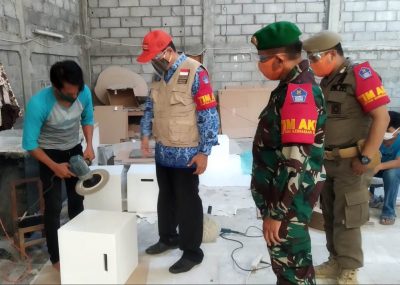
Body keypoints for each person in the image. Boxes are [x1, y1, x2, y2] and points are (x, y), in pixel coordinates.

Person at [303, 31, 390, 284]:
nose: (312, 63)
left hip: (353, 162)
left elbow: (381, 118)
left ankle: (349, 269)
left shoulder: (360, 74)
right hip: (328, 161)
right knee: (330, 213)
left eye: (315, 57)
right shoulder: (328, 80)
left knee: (348, 217)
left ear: (332, 54)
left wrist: (365, 158)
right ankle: (335, 261)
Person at [137, 30, 219, 274]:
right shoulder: (158, 75)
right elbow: (150, 107)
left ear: (168, 52)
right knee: (166, 197)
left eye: (155, 56)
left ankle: (192, 251)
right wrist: (144, 133)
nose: (153, 61)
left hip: (187, 154)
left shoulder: (195, 72)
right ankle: (168, 237)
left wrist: (205, 151)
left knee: (187, 201)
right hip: (164, 151)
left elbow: (208, 114)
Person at [250, 21, 326, 284]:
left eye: (261, 58)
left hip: (288, 205)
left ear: (279, 59)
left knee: (293, 272)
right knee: (289, 270)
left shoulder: (299, 94)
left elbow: (294, 161)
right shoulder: (289, 87)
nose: (259, 64)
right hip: (284, 200)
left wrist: (277, 213)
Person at [22, 60, 95, 271]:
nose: (75, 97)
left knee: (77, 199)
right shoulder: (39, 104)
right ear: (56, 88)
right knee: (53, 207)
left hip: (74, 149)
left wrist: (89, 146)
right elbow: (30, 144)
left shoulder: (84, 92)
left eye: (77, 92)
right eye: (69, 94)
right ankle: (56, 257)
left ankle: (79, 243)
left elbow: (87, 118)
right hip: (48, 154)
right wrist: (54, 166)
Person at [373, 111, 400, 225]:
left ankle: (389, 212)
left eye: (388, 131)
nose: (384, 133)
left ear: (398, 130)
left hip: (392, 170)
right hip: (376, 169)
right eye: (383, 129)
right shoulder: (375, 136)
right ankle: (371, 198)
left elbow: (398, 163)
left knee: (391, 173)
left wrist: (380, 166)